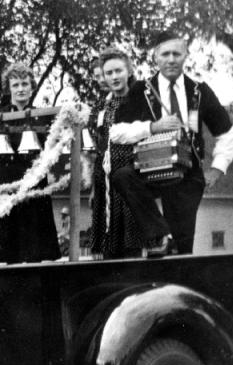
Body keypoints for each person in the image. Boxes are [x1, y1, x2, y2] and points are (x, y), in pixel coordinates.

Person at [110, 30, 233, 255]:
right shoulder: (142, 90)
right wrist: (152, 127)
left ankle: (170, 251)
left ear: (186, 55)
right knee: (122, 175)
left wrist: (217, 169)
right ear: (155, 57)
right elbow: (116, 132)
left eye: (176, 54)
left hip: (188, 174)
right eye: (165, 54)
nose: (171, 59)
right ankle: (160, 234)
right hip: (150, 168)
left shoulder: (199, 91)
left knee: (181, 248)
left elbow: (226, 133)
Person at [0, 62, 61, 263]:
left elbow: (49, 153)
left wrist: (42, 178)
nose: (21, 89)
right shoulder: (0, 117)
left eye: (25, 84)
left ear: (32, 87)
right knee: (7, 249)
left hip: (33, 181)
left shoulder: (42, 118)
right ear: (9, 88)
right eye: (15, 85)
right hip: (7, 179)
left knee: (34, 249)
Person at [88, 47, 144, 259]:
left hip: (131, 175)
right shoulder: (102, 106)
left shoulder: (140, 100)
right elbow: (98, 148)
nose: (114, 77)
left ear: (129, 71)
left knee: (131, 241)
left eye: (118, 71)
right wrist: (95, 187)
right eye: (108, 73)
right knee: (108, 244)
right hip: (105, 180)